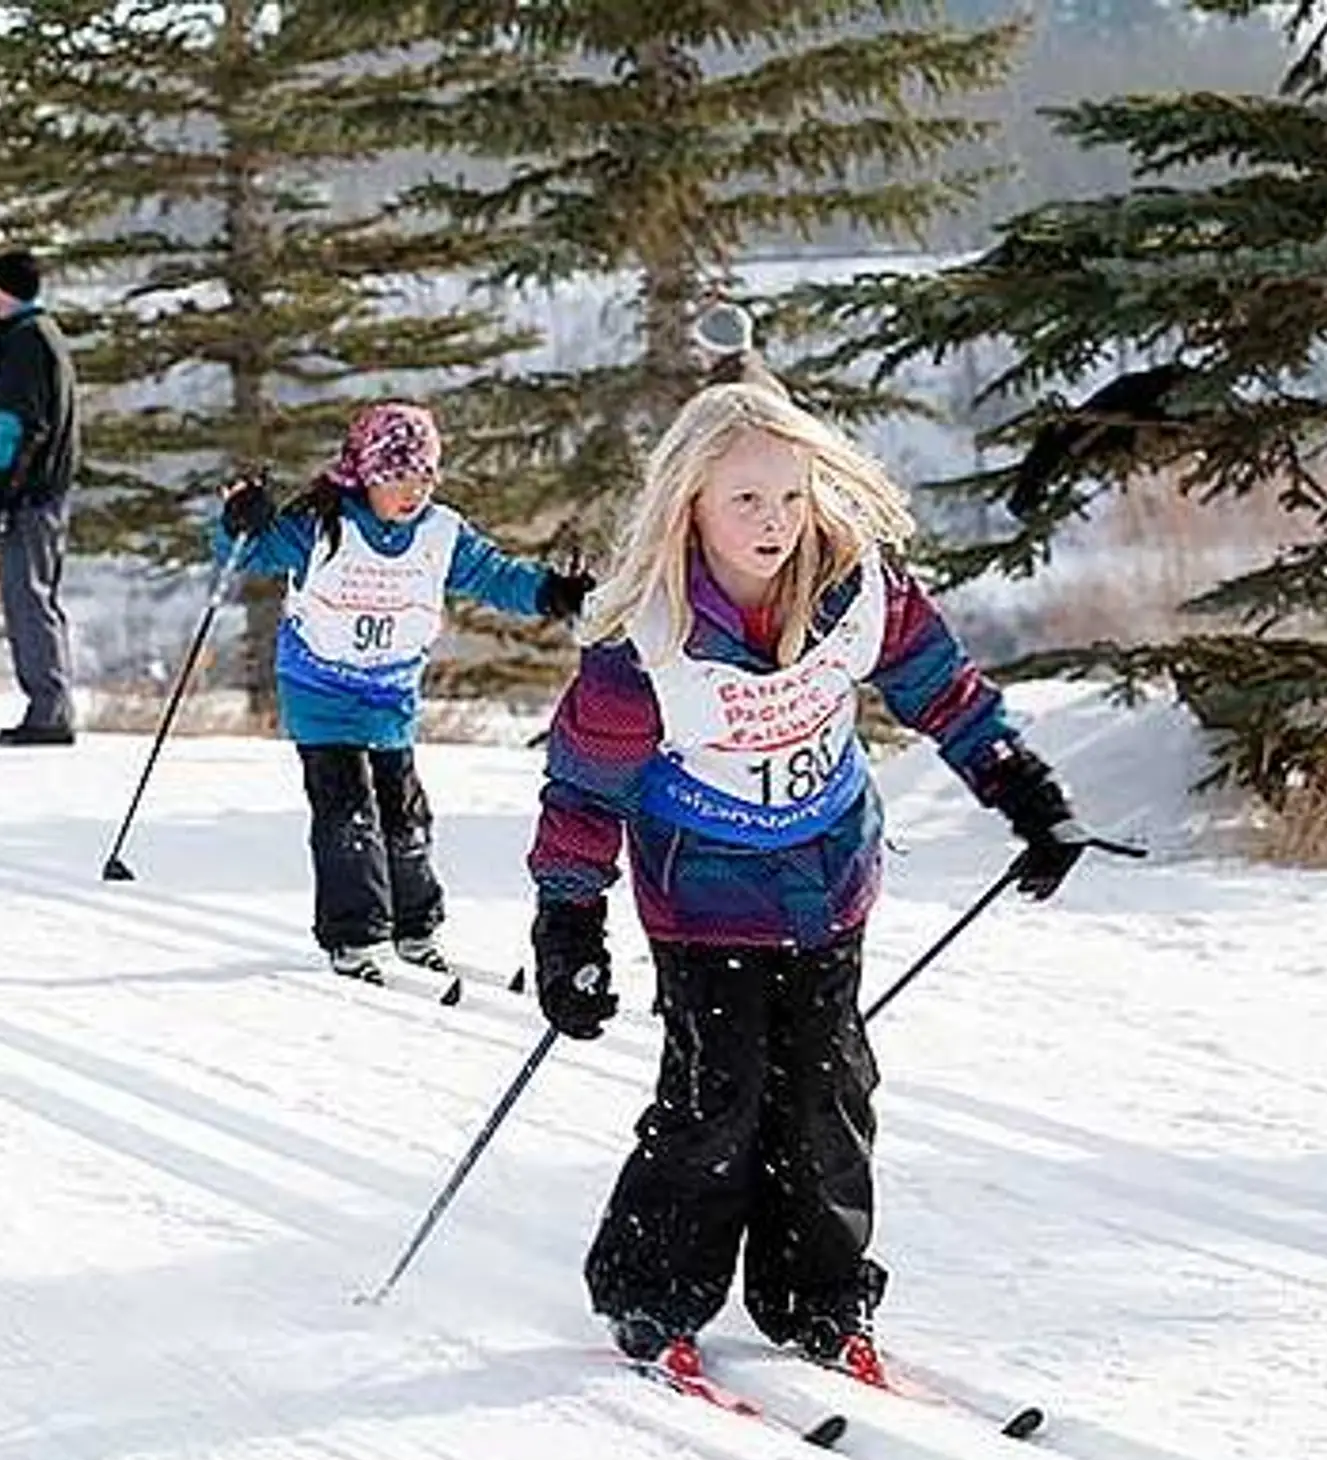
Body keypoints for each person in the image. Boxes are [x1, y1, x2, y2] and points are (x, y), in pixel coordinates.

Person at [527, 381, 1097, 1379]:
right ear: (689, 502)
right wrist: (567, 926)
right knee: (719, 1098)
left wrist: (1024, 793)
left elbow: (942, 692)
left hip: (827, 873)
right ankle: (650, 1290)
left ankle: (818, 1301)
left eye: (789, 496)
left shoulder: (853, 586)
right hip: (700, 892)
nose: (774, 522)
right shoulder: (642, 639)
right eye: (745, 500)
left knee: (828, 1091)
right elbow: (582, 793)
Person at [218, 400, 591, 984]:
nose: (412, 490)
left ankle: (415, 927)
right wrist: (240, 517)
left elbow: (496, 575)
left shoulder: (442, 533)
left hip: (389, 693)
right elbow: (244, 553)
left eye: (423, 475)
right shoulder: (324, 525)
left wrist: (553, 593)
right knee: (347, 812)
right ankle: (355, 936)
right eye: (396, 477)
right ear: (366, 475)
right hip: (320, 688)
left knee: (405, 815)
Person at [0, 248, 78, 746]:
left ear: (4, 292)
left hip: (28, 496)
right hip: (40, 494)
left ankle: (48, 708)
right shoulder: (36, 338)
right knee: (39, 596)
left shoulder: (24, 344)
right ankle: (51, 702)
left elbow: (16, 426)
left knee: (28, 597)